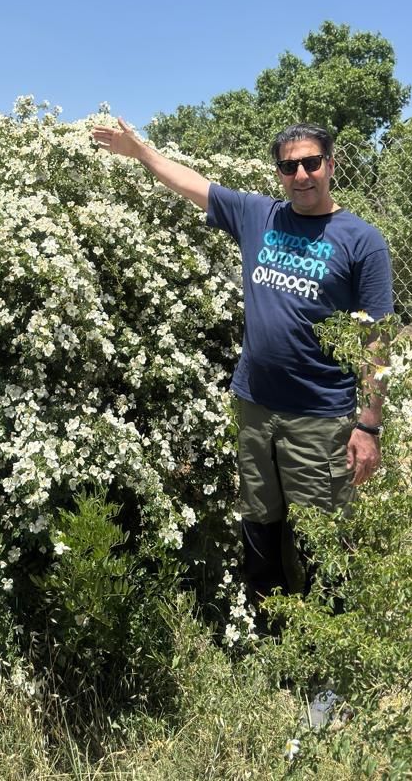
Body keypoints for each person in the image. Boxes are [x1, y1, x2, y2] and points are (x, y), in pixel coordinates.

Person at [91, 118, 393, 608]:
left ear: (330, 165)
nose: (301, 175)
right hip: (255, 407)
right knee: (260, 527)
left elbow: (377, 341)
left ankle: (329, 665)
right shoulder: (259, 216)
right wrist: (139, 152)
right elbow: (192, 183)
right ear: (279, 173)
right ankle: (269, 638)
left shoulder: (362, 241)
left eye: (311, 163)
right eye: (289, 166)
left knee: (320, 543)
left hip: (320, 416)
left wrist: (369, 424)